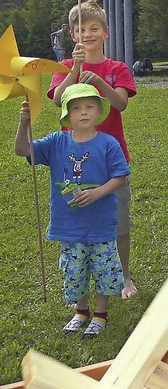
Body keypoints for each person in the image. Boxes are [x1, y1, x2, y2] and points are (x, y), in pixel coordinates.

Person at [15, 84, 130, 337]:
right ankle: (81, 311)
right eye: (76, 108)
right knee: (75, 271)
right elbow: (22, 150)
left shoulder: (108, 143)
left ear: (99, 111)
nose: (84, 113)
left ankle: (100, 313)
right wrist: (24, 123)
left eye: (90, 107)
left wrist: (97, 192)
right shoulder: (56, 142)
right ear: (66, 116)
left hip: (100, 224)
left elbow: (120, 176)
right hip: (69, 226)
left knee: (103, 269)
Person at [48, 0, 138, 299]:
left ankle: (125, 276)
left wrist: (99, 79)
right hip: (72, 160)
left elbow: (122, 104)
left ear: (106, 32)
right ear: (73, 35)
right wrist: (74, 70)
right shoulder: (64, 67)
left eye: (93, 28)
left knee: (119, 222)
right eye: (80, 29)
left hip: (111, 159)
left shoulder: (117, 68)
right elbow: (58, 99)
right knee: (77, 221)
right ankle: (79, 280)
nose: (87, 34)